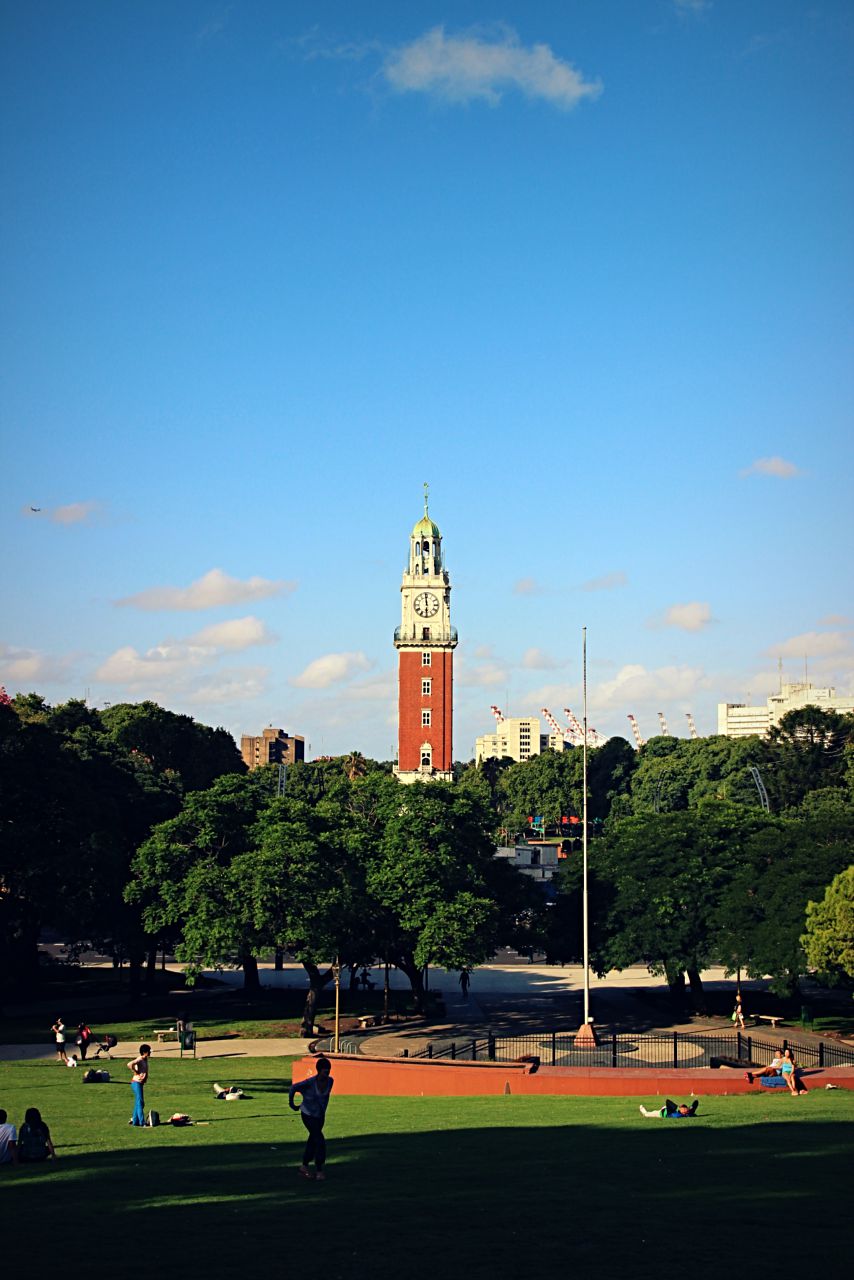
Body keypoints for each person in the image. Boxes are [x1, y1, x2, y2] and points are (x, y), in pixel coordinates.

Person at [289, 1056, 334, 1180]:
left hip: (320, 1116)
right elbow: (294, 1087)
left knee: (313, 1140)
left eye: (328, 1071)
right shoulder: (310, 1082)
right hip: (308, 1114)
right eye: (325, 1071)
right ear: (319, 1071)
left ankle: (304, 1167)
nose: (327, 1074)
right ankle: (319, 1170)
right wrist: (292, 1104)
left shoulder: (330, 1081)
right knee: (319, 1141)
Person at [127, 1044, 152, 1126]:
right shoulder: (140, 1059)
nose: (150, 1052)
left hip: (140, 1083)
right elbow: (129, 1064)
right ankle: (142, 1122)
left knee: (139, 1103)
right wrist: (135, 1071)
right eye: (149, 1051)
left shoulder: (145, 1059)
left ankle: (135, 1121)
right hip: (136, 1083)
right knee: (140, 1102)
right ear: (144, 1052)